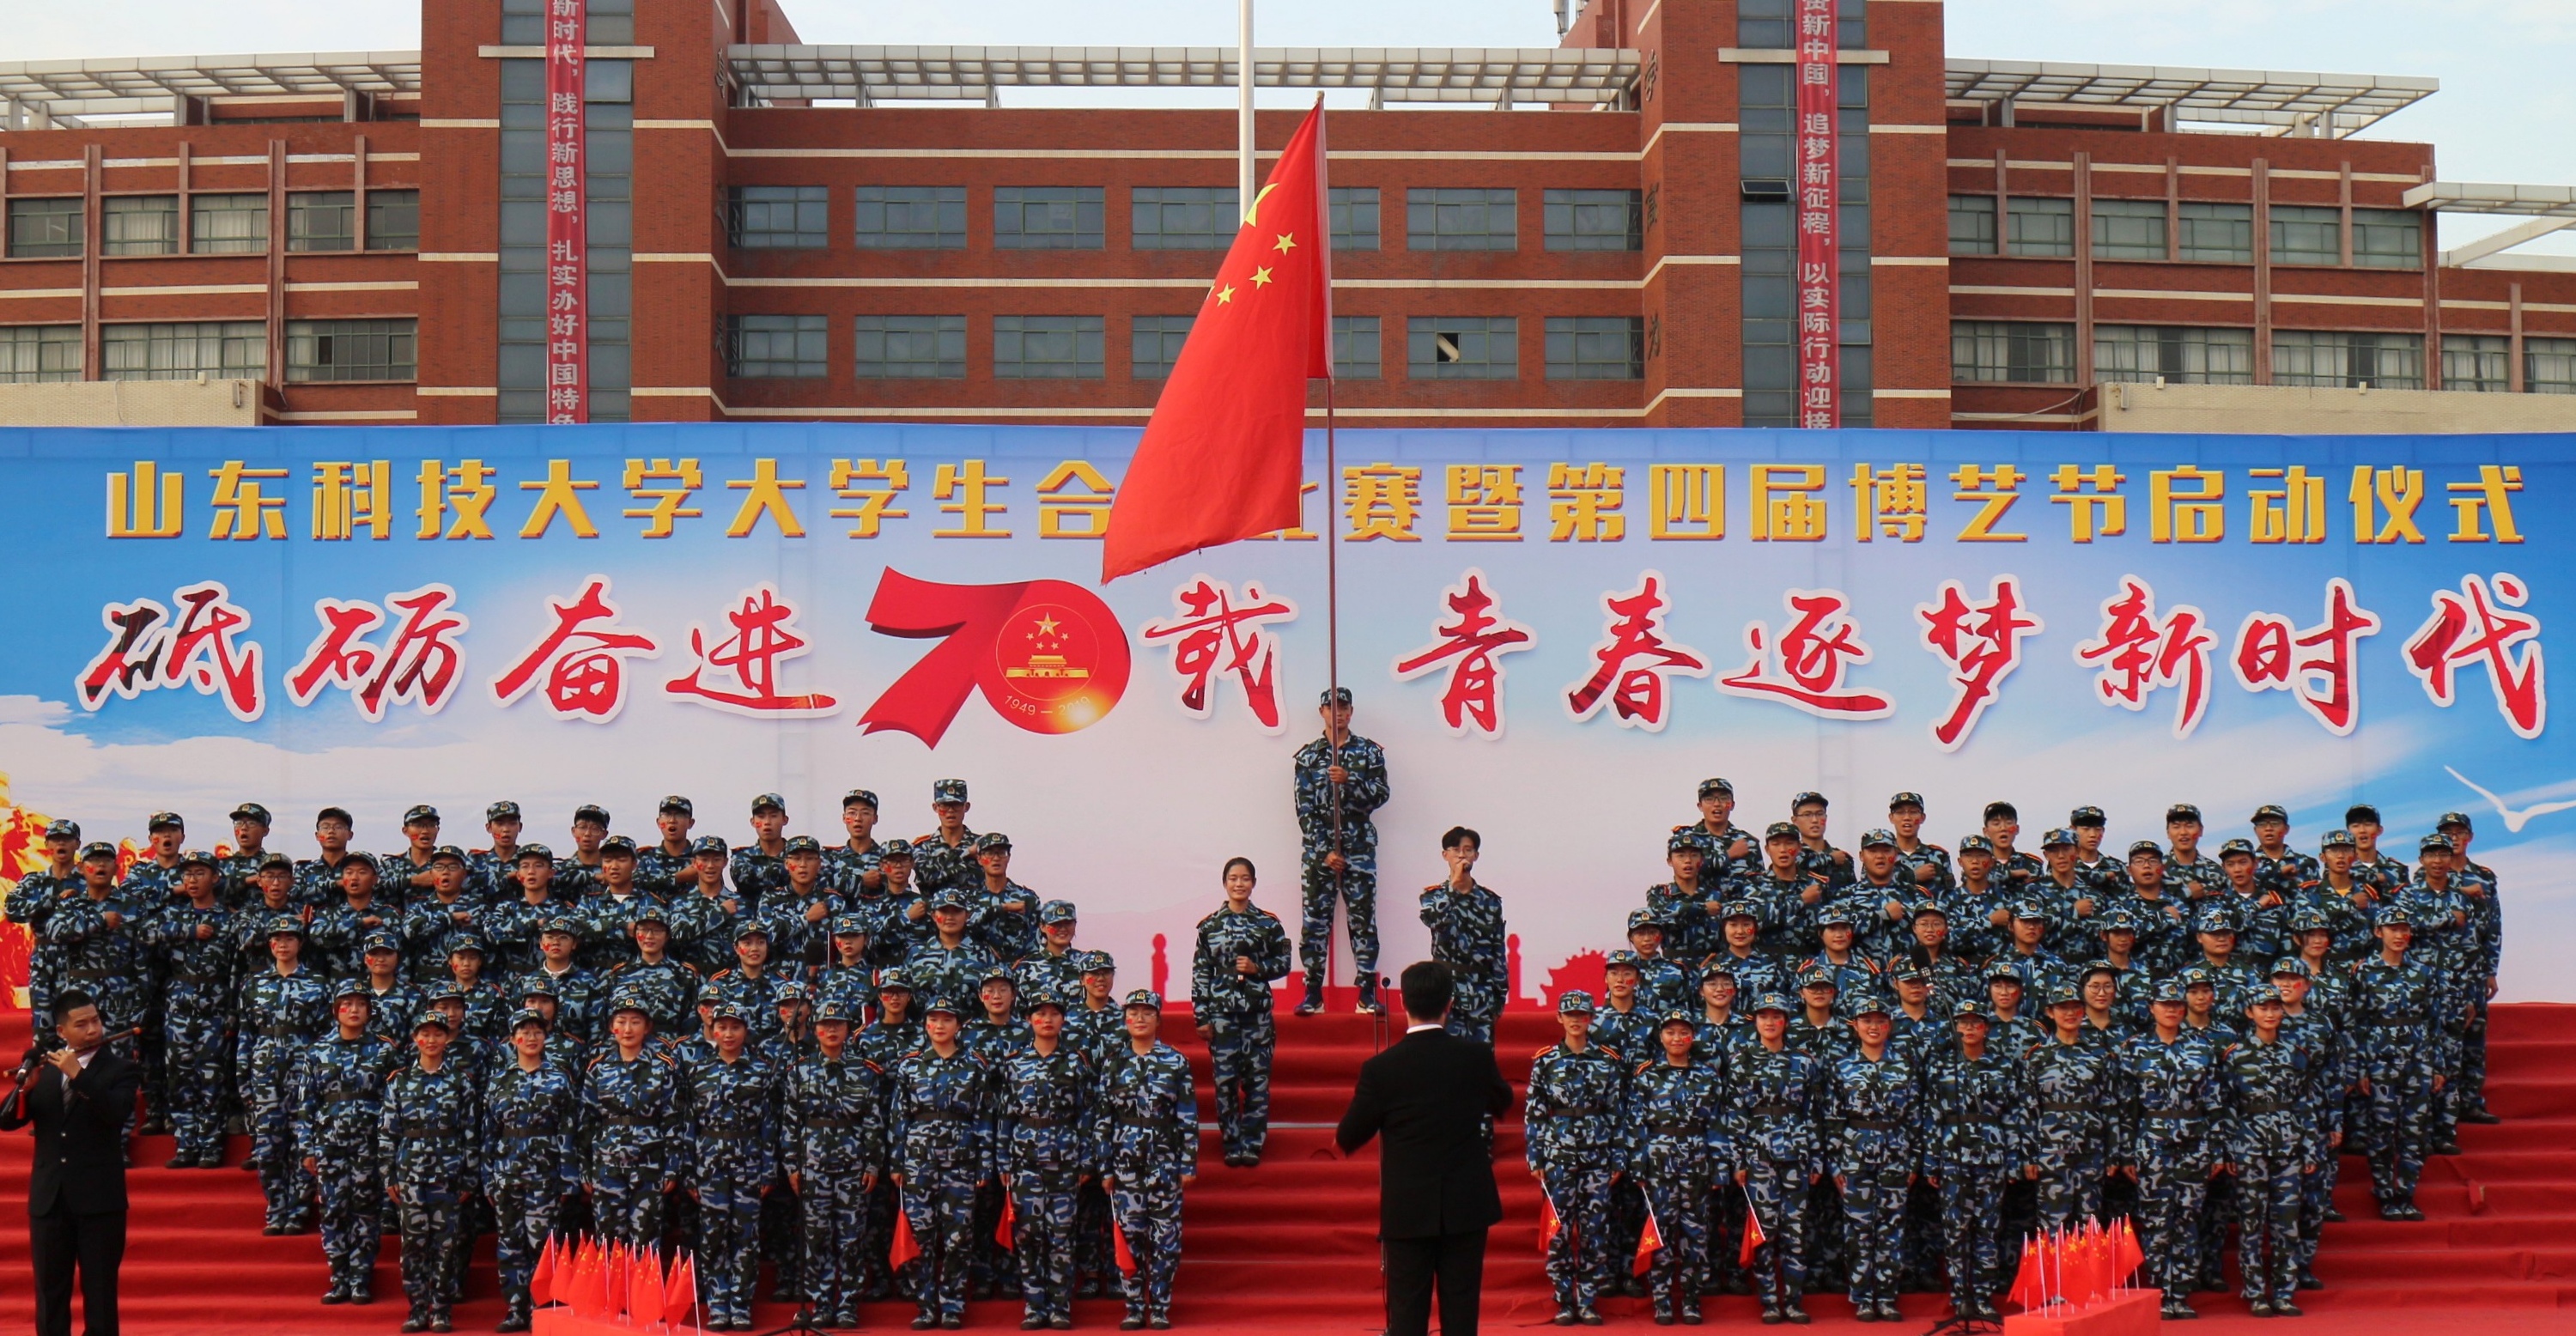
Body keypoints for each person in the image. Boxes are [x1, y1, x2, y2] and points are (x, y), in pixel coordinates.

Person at [1334, 961, 1515, 1336]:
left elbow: (1349, 1135)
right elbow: (1503, 1102)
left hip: (1408, 1208)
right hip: (1467, 1204)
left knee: (1406, 1312)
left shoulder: (1381, 1068)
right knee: (1462, 1309)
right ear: (1450, 1003)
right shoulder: (1476, 1058)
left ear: (1403, 1001)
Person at [4, 989, 143, 1336]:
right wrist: (24, 1090)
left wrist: (79, 1076)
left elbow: (116, 1113)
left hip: (99, 1200)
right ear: (62, 1031)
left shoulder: (122, 1069)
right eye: (82, 1024)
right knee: (50, 1294)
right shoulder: (46, 1069)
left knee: (100, 1295)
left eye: (96, 1021)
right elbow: (6, 1121)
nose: (93, 1029)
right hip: (50, 1198)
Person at [2119, 978, 2226, 1321]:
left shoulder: (2202, 1047)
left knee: (2188, 1218)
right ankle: (2160, 1292)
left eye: (2178, 1004)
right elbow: (2125, 1108)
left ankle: (2181, 1292)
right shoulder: (2134, 1049)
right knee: (2156, 1219)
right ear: (2151, 1008)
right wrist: (2125, 1153)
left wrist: (2217, 1150)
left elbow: (2215, 1104)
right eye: (2165, 1004)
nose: (2172, 1010)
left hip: (2194, 1141)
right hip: (2152, 1143)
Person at [1925, 1000, 2035, 1324]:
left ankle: (1984, 1297)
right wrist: (1931, 1161)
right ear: (1955, 1027)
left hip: (1991, 1155)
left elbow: (2014, 1116)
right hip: (1952, 1155)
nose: (1970, 1029)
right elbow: (1931, 1116)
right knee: (1956, 1229)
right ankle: (1961, 1297)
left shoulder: (2004, 1066)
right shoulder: (1942, 1066)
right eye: (1963, 1023)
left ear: (1986, 1028)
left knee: (1987, 1229)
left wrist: (2014, 1160)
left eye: (1976, 1023)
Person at [891, 994, 996, 1331]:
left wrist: (984, 1163)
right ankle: (925, 1305)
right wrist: (896, 1163)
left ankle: (951, 1305)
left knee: (958, 1237)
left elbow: (984, 1116)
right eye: (934, 1020)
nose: (940, 1026)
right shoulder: (910, 1066)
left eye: (947, 1019)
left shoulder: (974, 1065)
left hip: (961, 1160)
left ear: (959, 1025)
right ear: (925, 1025)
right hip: (919, 1161)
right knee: (920, 1235)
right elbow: (899, 1117)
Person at [295, 981, 401, 1307]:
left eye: (360, 1004)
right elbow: (306, 1102)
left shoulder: (384, 1050)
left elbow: (394, 1102)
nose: (354, 1010)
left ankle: (361, 1279)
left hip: (369, 1143)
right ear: (335, 1010)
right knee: (333, 1210)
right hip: (330, 1143)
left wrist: (390, 1148)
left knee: (366, 1211)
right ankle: (339, 1278)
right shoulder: (317, 1050)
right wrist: (306, 1147)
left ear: (370, 1011)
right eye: (347, 1003)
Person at [1526, 989, 1628, 1326]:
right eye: (1569, 1015)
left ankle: (1587, 1300)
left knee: (1594, 1231)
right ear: (1559, 1018)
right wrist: (1536, 1157)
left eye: (1582, 1015)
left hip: (1597, 1156)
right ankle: (1563, 1299)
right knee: (1558, 1231)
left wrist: (1617, 1158)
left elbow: (1616, 1113)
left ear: (1590, 1019)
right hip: (1558, 1156)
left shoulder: (1608, 1061)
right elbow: (1535, 1114)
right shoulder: (1545, 1061)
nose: (1576, 1021)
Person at [1097, 990, 1198, 1330]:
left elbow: (1187, 1116)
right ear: (1125, 1019)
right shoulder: (1113, 1062)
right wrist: (1105, 1166)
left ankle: (1160, 1307)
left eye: (1147, 1013)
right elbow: (1103, 1119)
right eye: (1133, 1012)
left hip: (1164, 1163)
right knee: (1130, 1237)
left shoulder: (1175, 1061)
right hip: (1125, 1165)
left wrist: (1188, 1163)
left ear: (1158, 1019)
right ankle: (1133, 1306)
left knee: (1166, 1240)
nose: (1139, 1019)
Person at [785, 998, 887, 1329]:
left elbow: (873, 1123)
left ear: (847, 1029)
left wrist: (872, 1165)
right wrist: (792, 1166)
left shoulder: (864, 1071)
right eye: (825, 1025)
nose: (831, 1030)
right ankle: (822, 1302)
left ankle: (848, 1304)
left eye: (838, 1025)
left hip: (851, 1166)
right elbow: (790, 1124)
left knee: (851, 1238)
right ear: (814, 1029)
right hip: (813, 1165)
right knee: (816, 1237)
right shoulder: (800, 1070)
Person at [996, 987, 1093, 1330]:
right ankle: (1035, 1306)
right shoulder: (1015, 1064)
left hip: (1064, 1159)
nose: (1047, 1019)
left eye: (1054, 1014)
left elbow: (1086, 1114)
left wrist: (1086, 1160)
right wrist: (1003, 1161)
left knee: (1061, 1235)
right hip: (1025, 1161)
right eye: (1040, 1013)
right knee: (1029, 1235)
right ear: (1029, 1019)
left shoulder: (1076, 1062)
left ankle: (1060, 1307)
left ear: (1063, 1019)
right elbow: (1005, 1116)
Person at [1292, 687, 1393, 1015]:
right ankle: (1313, 993)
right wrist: (1325, 851)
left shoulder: (1369, 752)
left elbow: (1380, 795)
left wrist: (1350, 781)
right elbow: (1304, 810)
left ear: (1351, 712)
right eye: (1331, 707)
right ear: (1321, 711)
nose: (1338, 713)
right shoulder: (1308, 757)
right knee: (1314, 923)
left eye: (1343, 707)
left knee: (1363, 921)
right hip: (1319, 853)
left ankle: (1366, 993)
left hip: (1358, 847)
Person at [381, 1009, 479, 1334]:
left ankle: (441, 1310)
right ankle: (417, 1308)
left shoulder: (460, 1082)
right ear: (415, 1039)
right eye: (425, 1034)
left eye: (438, 1033)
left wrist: (469, 1176)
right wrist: (389, 1175)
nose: (432, 1039)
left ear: (446, 1038)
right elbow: (388, 1133)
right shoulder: (399, 1081)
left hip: (447, 1173)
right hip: (410, 1174)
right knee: (413, 1243)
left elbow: (470, 1132)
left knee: (446, 1244)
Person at [1727, 992, 1822, 1325]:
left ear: (1786, 1021)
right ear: (1755, 1021)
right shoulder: (1741, 1061)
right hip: (1759, 1155)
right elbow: (1736, 1113)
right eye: (1764, 1016)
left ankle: (1794, 1301)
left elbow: (1813, 1112)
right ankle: (1769, 1301)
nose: (1770, 1022)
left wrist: (1816, 1159)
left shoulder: (1804, 1061)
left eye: (1776, 1016)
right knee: (1764, 1230)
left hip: (1796, 1153)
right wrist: (1738, 1160)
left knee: (1795, 1231)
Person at [1190, 856, 1291, 1167]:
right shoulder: (1210, 926)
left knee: (1257, 1081)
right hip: (1222, 1017)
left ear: (1253, 883)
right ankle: (1231, 1142)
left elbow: (1284, 963)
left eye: (1245, 878)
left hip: (1256, 1015)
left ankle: (1252, 1143)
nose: (1239, 884)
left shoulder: (1268, 924)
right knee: (1225, 1082)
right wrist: (1202, 1016)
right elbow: (1201, 973)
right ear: (1225, 883)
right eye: (1233, 878)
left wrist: (1257, 968)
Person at [1826, 995, 1921, 1324]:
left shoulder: (1905, 1066)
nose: (1874, 1027)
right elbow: (1833, 1119)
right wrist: (1835, 1165)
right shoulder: (1842, 1067)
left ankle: (1887, 1296)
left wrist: (1914, 1162)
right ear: (1855, 1026)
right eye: (1867, 1021)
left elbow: (1915, 1118)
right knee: (1858, 1229)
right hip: (1855, 1155)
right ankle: (1863, 1297)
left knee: (1892, 1227)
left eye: (1880, 1021)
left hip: (1896, 1153)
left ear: (1889, 1025)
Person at [484, 1007, 580, 1333]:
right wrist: (488, 1177)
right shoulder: (499, 1081)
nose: (531, 1037)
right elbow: (489, 1133)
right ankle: (515, 1308)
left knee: (543, 1244)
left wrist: (568, 1177)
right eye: (524, 1032)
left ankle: (543, 1309)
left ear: (546, 1037)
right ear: (513, 1039)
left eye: (537, 1031)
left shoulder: (559, 1079)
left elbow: (568, 1130)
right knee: (510, 1243)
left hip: (545, 1174)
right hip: (507, 1172)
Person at [1627, 1011, 1726, 1326]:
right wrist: (1638, 1166)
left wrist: (1719, 1168)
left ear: (1692, 1037)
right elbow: (1636, 1125)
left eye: (1684, 1032)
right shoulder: (1646, 1075)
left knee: (1696, 1232)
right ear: (1661, 1037)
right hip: (1659, 1161)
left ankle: (1692, 1298)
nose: (1677, 1038)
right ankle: (1662, 1300)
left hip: (1697, 1159)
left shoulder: (1707, 1076)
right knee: (1661, 1231)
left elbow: (1717, 1124)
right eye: (1670, 1032)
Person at [690, 1002, 781, 1331]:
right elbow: (689, 1125)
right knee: (713, 1236)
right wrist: (688, 1171)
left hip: (749, 1160)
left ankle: (740, 1306)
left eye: (735, 1027)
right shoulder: (699, 1071)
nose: (728, 1034)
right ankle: (718, 1305)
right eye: (722, 1027)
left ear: (746, 1031)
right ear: (713, 1031)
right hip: (709, 1163)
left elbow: (769, 1124)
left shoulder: (761, 1071)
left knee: (746, 1236)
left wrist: (769, 1169)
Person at [1419, 828, 1508, 1043]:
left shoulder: (1490, 900)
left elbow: (1498, 951)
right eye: (1456, 850)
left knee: (1480, 1057)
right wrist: (1453, 889)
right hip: (1446, 991)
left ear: (1476, 856)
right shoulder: (1433, 896)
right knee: (1447, 1055)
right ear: (1445, 855)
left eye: (1468, 850)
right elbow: (1432, 920)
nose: (1461, 855)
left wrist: (1500, 995)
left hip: (1481, 992)